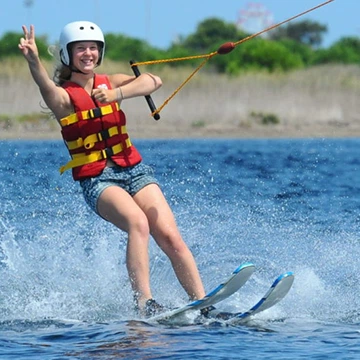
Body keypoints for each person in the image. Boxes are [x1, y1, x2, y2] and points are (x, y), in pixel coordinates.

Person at [19, 21, 206, 317]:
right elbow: (44, 84)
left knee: (170, 236)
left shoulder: (112, 82)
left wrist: (117, 95)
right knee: (138, 224)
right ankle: (145, 303)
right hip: (98, 179)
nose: (88, 53)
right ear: (68, 55)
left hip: (134, 170)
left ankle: (204, 303)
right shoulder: (63, 97)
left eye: (93, 48)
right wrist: (33, 60)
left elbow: (152, 81)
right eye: (81, 48)